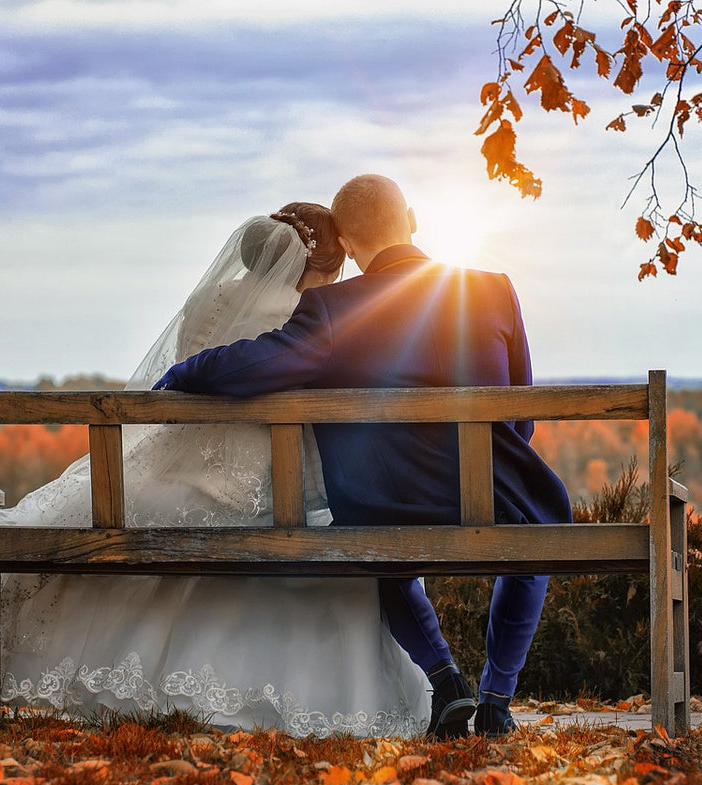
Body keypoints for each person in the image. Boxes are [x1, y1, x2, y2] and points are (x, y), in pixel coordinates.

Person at [154, 174, 572, 738]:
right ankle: (497, 700)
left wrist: (183, 371)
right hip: (498, 496)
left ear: (347, 245)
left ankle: (445, 677)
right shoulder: (495, 289)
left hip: (389, 503)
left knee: (366, 533)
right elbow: (520, 411)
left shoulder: (331, 308)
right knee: (532, 531)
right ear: (414, 220)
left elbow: (254, 365)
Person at [0, 203, 430, 738]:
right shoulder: (307, 309)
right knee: (335, 541)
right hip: (265, 476)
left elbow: (198, 371)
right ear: (322, 260)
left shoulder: (205, 301)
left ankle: (111, 690)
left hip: (181, 462)